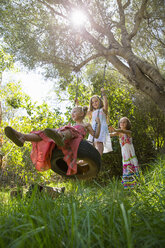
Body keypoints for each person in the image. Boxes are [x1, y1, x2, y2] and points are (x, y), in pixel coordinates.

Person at [4, 106, 101, 176]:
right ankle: (21, 137)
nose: (72, 114)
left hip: (75, 137)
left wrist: (99, 123)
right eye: (72, 112)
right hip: (64, 135)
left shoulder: (85, 125)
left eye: (75, 112)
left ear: (82, 114)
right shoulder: (71, 125)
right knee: (44, 134)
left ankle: (61, 136)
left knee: (70, 130)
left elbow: (96, 135)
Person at [109, 117, 140, 189]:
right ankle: (129, 186)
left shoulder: (128, 132)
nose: (122, 123)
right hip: (125, 155)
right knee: (127, 168)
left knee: (133, 167)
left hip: (130, 154)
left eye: (124, 122)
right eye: (121, 122)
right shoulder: (118, 133)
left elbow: (123, 131)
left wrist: (115, 129)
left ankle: (136, 185)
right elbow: (110, 134)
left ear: (127, 124)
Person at [87, 88, 113, 155]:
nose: (94, 103)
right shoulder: (91, 112)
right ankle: (88, 160)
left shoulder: (102, 110)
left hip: (101, 128)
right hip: (93, 129)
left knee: (99, 143)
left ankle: (98, 157)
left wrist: (103, 93)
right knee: (90, 144)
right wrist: (77, 103)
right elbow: (81, 113)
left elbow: (106, 104)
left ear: (100, 101)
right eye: (92, 102)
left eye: (96, 101)